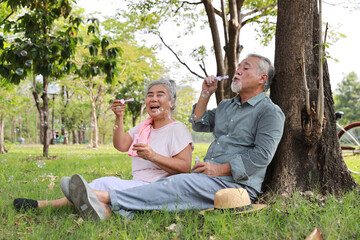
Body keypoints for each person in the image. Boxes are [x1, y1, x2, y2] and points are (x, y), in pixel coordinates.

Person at [65, 53, 285, 221]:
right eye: (237, 67)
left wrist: (219, 169)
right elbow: (199, 123)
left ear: (261, 78)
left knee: (177, 185)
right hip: (208, 177)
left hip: (237, 186)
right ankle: (110, 209)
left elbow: (261, 157)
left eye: (245, 68)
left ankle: (104, 198)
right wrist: (206, 94)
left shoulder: (269, 112)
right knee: (172, 188)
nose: (237, 71)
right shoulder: (227, 106)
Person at [13, 78, 194, 212]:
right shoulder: (145, 126)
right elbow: (121, 145)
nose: (153, 99)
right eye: (150, 95)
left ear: (172, 102)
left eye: (160, 95)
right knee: (102, 183)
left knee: (104, 186)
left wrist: (152, 156)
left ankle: (44, 207)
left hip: (158, 188)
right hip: (137, 184)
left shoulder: (177, 129)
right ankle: (103, 211)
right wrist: (119, 117)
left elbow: (185, 167)